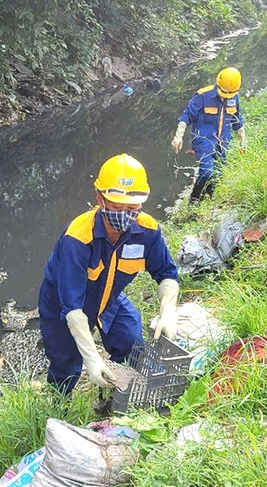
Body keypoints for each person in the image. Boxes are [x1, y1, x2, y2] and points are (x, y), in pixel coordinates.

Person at [38, 153, 180, 394]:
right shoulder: (78, 238)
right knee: (65, 364)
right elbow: (72, 308)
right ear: (100, 199)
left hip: (109, 297)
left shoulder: (147, 231)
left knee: (132, 343)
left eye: (131, 207)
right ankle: (59, 403)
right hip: (63, 305)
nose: (124, 214)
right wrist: (92, 358)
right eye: (116, 206)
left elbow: (167, 273)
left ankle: (117, 393)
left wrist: (168, 312)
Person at [171, 67, 247, 203]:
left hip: (223, 142)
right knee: (206, 171)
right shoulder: (202, 96)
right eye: (223, 92)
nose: (225, 96)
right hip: (203, 141)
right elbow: (186, 116)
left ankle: (208, 196)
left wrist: (243, 139)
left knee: (218, 173)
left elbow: (237, 119)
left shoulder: (234, 97)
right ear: (218, 84)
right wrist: (178, 136)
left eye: (229, 94)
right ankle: (194, 199)